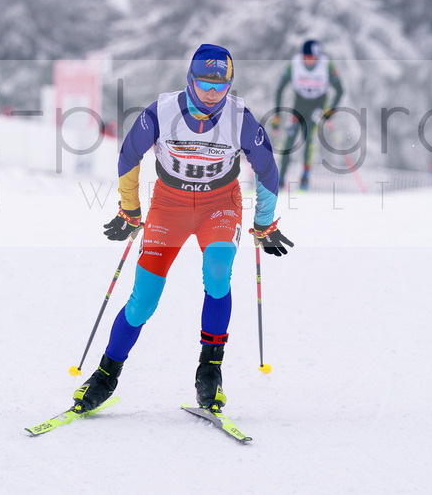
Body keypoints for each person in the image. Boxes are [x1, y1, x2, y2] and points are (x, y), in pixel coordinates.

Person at [72, 43, 294, 415]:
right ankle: (106, 374)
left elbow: (267, 169)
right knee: (143, 298)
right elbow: (129, 155)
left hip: (219, 206)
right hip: (169, 207)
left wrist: (264, 222)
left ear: (229, 84)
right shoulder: (161, 111)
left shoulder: (239, 118)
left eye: (219, 85)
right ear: (190, 79)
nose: (211, 92)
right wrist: (130, 209)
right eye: (204, 82)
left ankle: (210, 371)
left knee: (218, 272)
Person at [272, 39, 344, 190]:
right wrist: (277, 116)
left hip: (317, 106)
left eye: (313, 57)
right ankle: (280, 179)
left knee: (308, 140)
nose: (310, 61)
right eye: (307, 57)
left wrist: (330, 112)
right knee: (289, 141)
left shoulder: (327, 65)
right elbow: (279, 89)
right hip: (299, 105)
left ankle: (304, 179)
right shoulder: (295, 65)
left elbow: (340, 90)